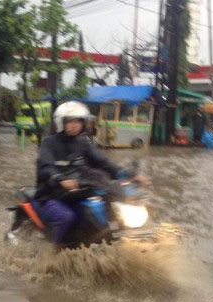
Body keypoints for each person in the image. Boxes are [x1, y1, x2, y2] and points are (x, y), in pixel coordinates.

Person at [35, 101, 149, 252]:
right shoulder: (49, 143)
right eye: (70, 121)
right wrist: (60, 180)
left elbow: (104, 162)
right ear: (61, 122)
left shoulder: (83, 142)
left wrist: (129, 175)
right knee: (66, 217)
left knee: (106, 206)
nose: (74, 125)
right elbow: (45, 167)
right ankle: (55, 251)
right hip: (52, 194)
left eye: (78, 121)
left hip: (79, 191)